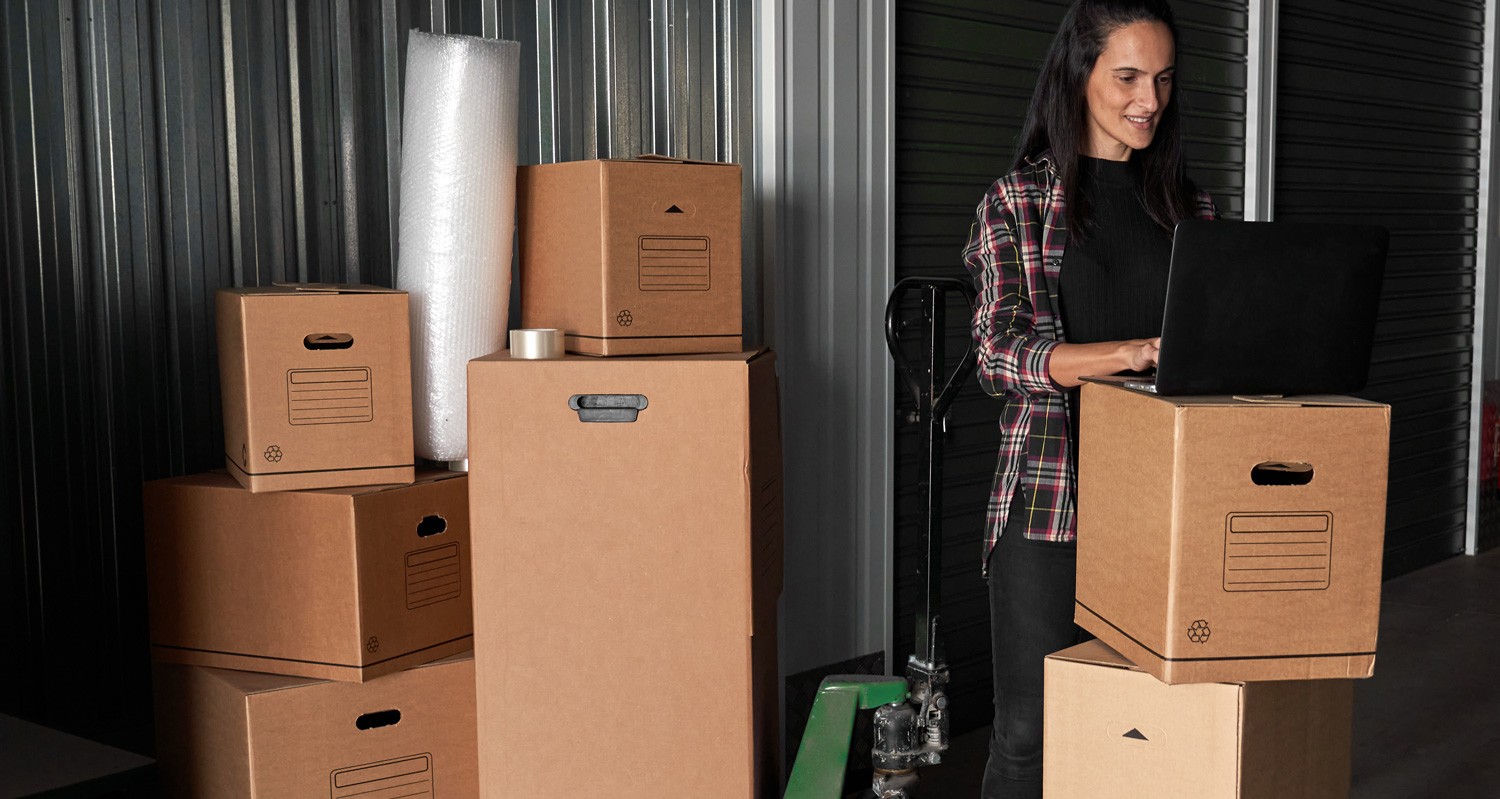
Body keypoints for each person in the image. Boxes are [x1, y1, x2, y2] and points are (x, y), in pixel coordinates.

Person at [960, 1, 1216, 796]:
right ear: (1081, 75)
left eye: (1164, 80)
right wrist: (1125, 354)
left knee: (1145, 717)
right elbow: (998, 353)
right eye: (1129, 76)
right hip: (1048, 500)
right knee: (1031, 729)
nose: (1150, 99)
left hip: (1160, 499)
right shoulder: (1019, 202)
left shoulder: (1188, 209)